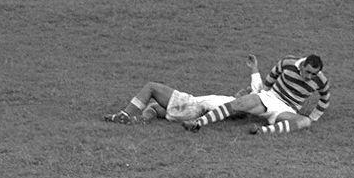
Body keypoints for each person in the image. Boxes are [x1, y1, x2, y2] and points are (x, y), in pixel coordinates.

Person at [183, 53, 330, 135]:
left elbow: (325, 99)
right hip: (271, 97)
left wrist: (314, 117)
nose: (310, 76)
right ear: (302, 65)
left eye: (314, 73)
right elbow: (274, 74)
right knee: (238, 104)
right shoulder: (288, 62)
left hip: (287, 110)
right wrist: (263, 91)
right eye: (308, 72)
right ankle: (197, 123)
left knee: (305, 122)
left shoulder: (321, 80)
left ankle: (262, 131)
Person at [104, 56, 263, 124]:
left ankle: (124, 116)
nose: (244, 90)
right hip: (190, 110)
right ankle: (142, 121)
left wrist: (254, 68)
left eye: (246, 91)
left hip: (191, 105)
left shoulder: (239, 104)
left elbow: (257, 91)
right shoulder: (230, 102)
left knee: (151, 87)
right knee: (154, 107)